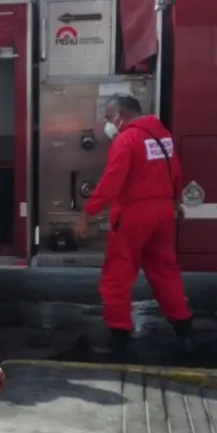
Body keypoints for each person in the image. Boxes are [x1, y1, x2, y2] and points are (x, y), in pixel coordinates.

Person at [73, 93, 193, 354]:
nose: (106, 123)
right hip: (163, 213)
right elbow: (176, 171)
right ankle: (184, 331)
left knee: (117, 274)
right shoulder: (163, 135)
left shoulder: (127, 139)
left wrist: (87, 214)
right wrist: (176, 202)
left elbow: (111, 183)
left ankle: (118, 339)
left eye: (107, 117)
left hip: (133, 214)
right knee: (165, 272)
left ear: (121, 115)